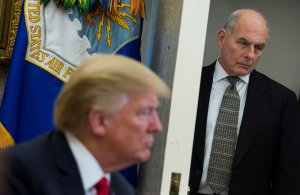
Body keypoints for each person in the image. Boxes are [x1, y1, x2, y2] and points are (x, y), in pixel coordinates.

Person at [0, 54, 170, 195]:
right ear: (99, 121)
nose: (157, 126)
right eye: (145, 113)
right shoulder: (16, 171)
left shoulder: (122, 190)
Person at [189, 9, 300, 195]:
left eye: (258, 48)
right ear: (222, 38)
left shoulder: (282, 100)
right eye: (243, 43)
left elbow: (288, 177)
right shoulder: (189, 83)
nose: (250, 55)